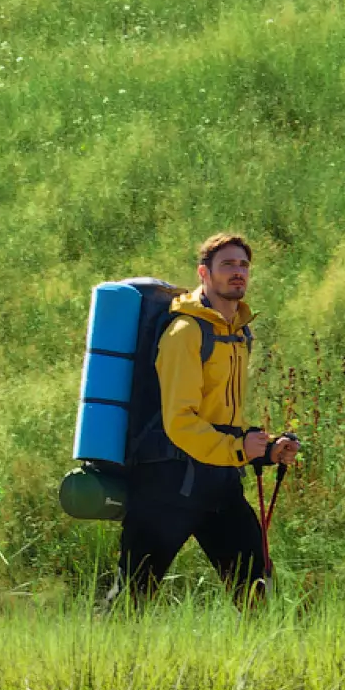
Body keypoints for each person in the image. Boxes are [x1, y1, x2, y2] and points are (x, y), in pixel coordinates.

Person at [107, 233, 300, 608]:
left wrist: (264, 449)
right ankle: (96, 665)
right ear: (204, 273)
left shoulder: (238, 333)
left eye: (243, 265)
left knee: (258, 591)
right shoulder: (186, 332)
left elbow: (220, 418)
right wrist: (236, 448)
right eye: (227, 265)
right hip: (166, 486)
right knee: (132, 597)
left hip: (218, 481)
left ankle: (269, 664)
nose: (238, 273)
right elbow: (180, 421)